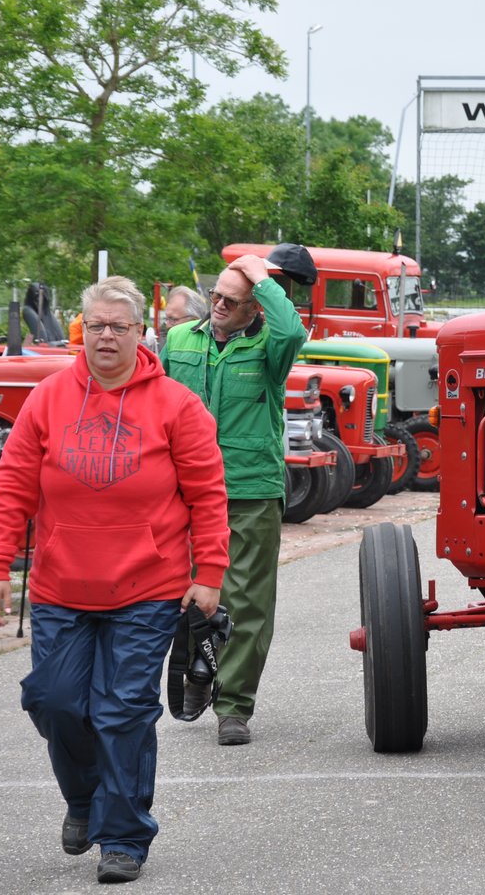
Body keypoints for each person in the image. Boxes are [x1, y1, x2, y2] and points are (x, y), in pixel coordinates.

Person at [0, 275, 229, 885]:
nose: (106, 336)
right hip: (61, 588)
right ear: (81, 332)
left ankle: (123, 837)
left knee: (123, 711)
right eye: (96, 326)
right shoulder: (47, 399)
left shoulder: (176, 405)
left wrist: (210, 573)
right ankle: (85, 798)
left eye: (119, 326)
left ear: (141, 332)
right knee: (54, 701)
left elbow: (207, 494)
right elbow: (12, 487)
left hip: (147, 588)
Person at [159, 253, 304, 746]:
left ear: (254, 307)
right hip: (182, 488)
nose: (219, 305)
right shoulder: (181, 340)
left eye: (232, 300)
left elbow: (292, 331)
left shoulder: (270, 346)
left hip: (249, 489)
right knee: (180, 589)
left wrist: (261, 277)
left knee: (246, 600)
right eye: (216, 295)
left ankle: (234, 705)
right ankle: (198, 670)